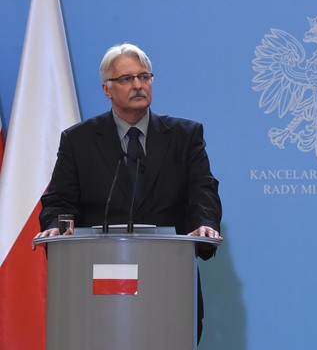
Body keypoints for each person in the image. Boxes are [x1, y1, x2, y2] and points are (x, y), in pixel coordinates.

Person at [34, 43, 223, 342]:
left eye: (144, 76)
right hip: (96, 283)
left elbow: (203, 189)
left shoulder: (185, 136)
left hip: (168, 279)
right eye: (126, 79)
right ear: (106, 89)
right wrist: (57, 225)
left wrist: (205, 222)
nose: (137, 85)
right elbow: (59, 199)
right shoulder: (79, 140)